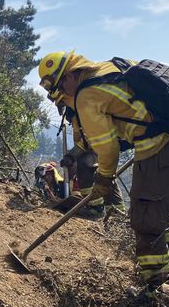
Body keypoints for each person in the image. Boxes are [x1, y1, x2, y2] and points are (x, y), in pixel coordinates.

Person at [38, 51, 169, 294]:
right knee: (159, 213)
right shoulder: (110, 69)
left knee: (144, 217)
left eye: (58, 87)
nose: (63, 95)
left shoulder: (86, 96)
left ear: (69, 75)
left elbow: (108, 149)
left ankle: (157, 289)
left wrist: (105, 178)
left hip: (157, 148)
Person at [50, 90, 124, 219]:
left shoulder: (84, 107)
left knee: (86, 165)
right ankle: (114, 214)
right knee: (104, 176)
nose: (61, 107)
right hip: (98, 145)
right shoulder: (75, 111)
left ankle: (98, 209)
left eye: (61, 103)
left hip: (102, 144)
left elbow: (90, 139)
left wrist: (72, 155)